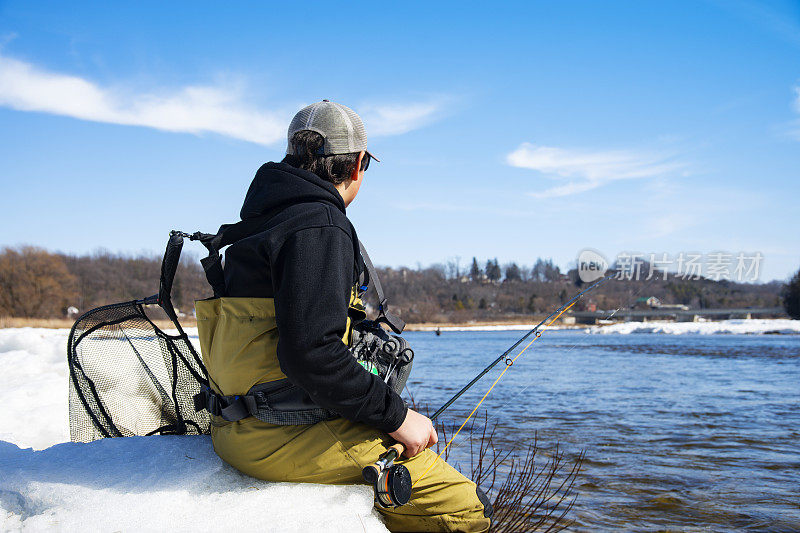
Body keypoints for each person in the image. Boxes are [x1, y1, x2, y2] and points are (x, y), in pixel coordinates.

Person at [195, 100, 491, 532]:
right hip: (278, 438)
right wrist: (398, 417)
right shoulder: (318, 224)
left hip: (235, 428)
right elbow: (311, 353)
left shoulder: (261, 222)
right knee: (465, 507)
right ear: (357, 165)